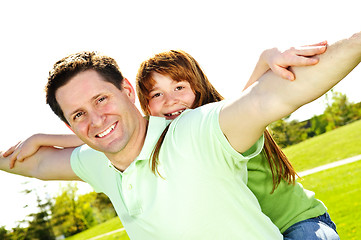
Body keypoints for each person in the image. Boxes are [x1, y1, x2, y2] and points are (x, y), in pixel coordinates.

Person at [1, 31, 360, 239]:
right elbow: (34, 164)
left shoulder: (197, 130)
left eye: (102, 99)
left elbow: (265, 98)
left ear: (126, 91)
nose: (95, 120)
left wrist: (269, 59)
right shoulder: (98, 161)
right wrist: (45, 137)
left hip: (300, 221)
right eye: (79, 114)